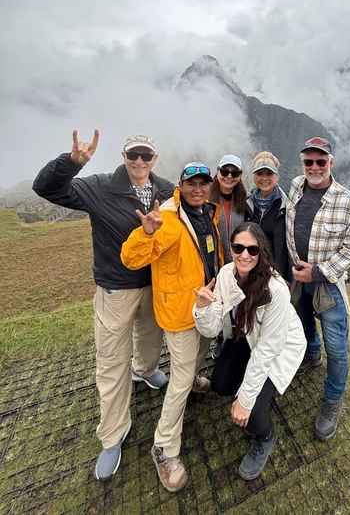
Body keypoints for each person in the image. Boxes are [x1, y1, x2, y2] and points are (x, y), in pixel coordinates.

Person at [33, 130, 174, 481]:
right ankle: (112, 436)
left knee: (152, 339)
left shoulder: (165, 190)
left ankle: (145, 369)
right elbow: (47, 189)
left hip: (152, 284)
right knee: (111, 361)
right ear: (123, 156)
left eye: (146, 156)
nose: (139, 162)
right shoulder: (99, 187)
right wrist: (72, 163)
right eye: (133, 155)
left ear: (155, 159)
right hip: (115, 288)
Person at [121, 162, 223, 493]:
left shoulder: (208, 213)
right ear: (181, 184)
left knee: (201, 352)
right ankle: (164, 449)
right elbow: (132, 258)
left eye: (203, 183)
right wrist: (146, 232)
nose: (198, 188)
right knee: (177, 381)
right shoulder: (168, 219)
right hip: (180, 313)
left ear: (209, 186)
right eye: (191, 183)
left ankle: (194, 379)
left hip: (204, 306)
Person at [192, 223, 306, 480]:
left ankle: (266, 436)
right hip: (246, 335)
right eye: (238, 247)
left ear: (261, 252)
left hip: (280, 347)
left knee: (251, 412)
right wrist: (201, 308)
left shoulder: (275, 290)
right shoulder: (225, 275)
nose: (245, 254)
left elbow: (267, 350)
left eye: (252, 249)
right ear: (231, 248)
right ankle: (253, 388)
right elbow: (211, 329)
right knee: (221, 385)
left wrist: (246, 399)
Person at [286, 136, 350, 442]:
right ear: (302, 163)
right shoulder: (295, 186)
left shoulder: (347, 201)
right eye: (309, 162)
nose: (314, 167)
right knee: (303, 324)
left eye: (321, 162)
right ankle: (311, 355)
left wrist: (317, 272)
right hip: (296, 277)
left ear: (331, 163)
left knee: (338, 347)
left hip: (326, 284)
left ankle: (333, 401)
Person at [208, 154, 247, 358]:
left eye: (234, 173)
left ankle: (237, 337)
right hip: (216, 262)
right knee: (220, 302)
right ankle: (221, 338)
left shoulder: (244, 202)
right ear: (217, 172)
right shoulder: (207, 200)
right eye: (225, 171)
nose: (229, 176)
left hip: (239, 263)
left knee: (237, 302)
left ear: (239, 176)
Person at [245, 152, 290, 280]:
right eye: (260, 174)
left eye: (269, 174)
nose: (264, 178)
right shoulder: (247, 204)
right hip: (250, 270)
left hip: (276, 272)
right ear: (254, 177)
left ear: (276, 177)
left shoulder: (287, 206)